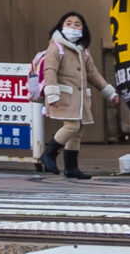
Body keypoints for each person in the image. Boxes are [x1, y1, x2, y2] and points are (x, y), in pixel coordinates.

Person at [37, 11, 116, 178]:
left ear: (83, 29)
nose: (73, 27)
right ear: (61, 26)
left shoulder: (83, 51)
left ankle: (71, 169)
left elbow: (93, 74)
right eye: (69, 23)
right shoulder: (56, 46)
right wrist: (52, 95)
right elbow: (49, 70)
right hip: (64, 97)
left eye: (77, 24)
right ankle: (49, 154)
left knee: (78, 131)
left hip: (79, 99)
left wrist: (109, 92)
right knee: (71, 126)